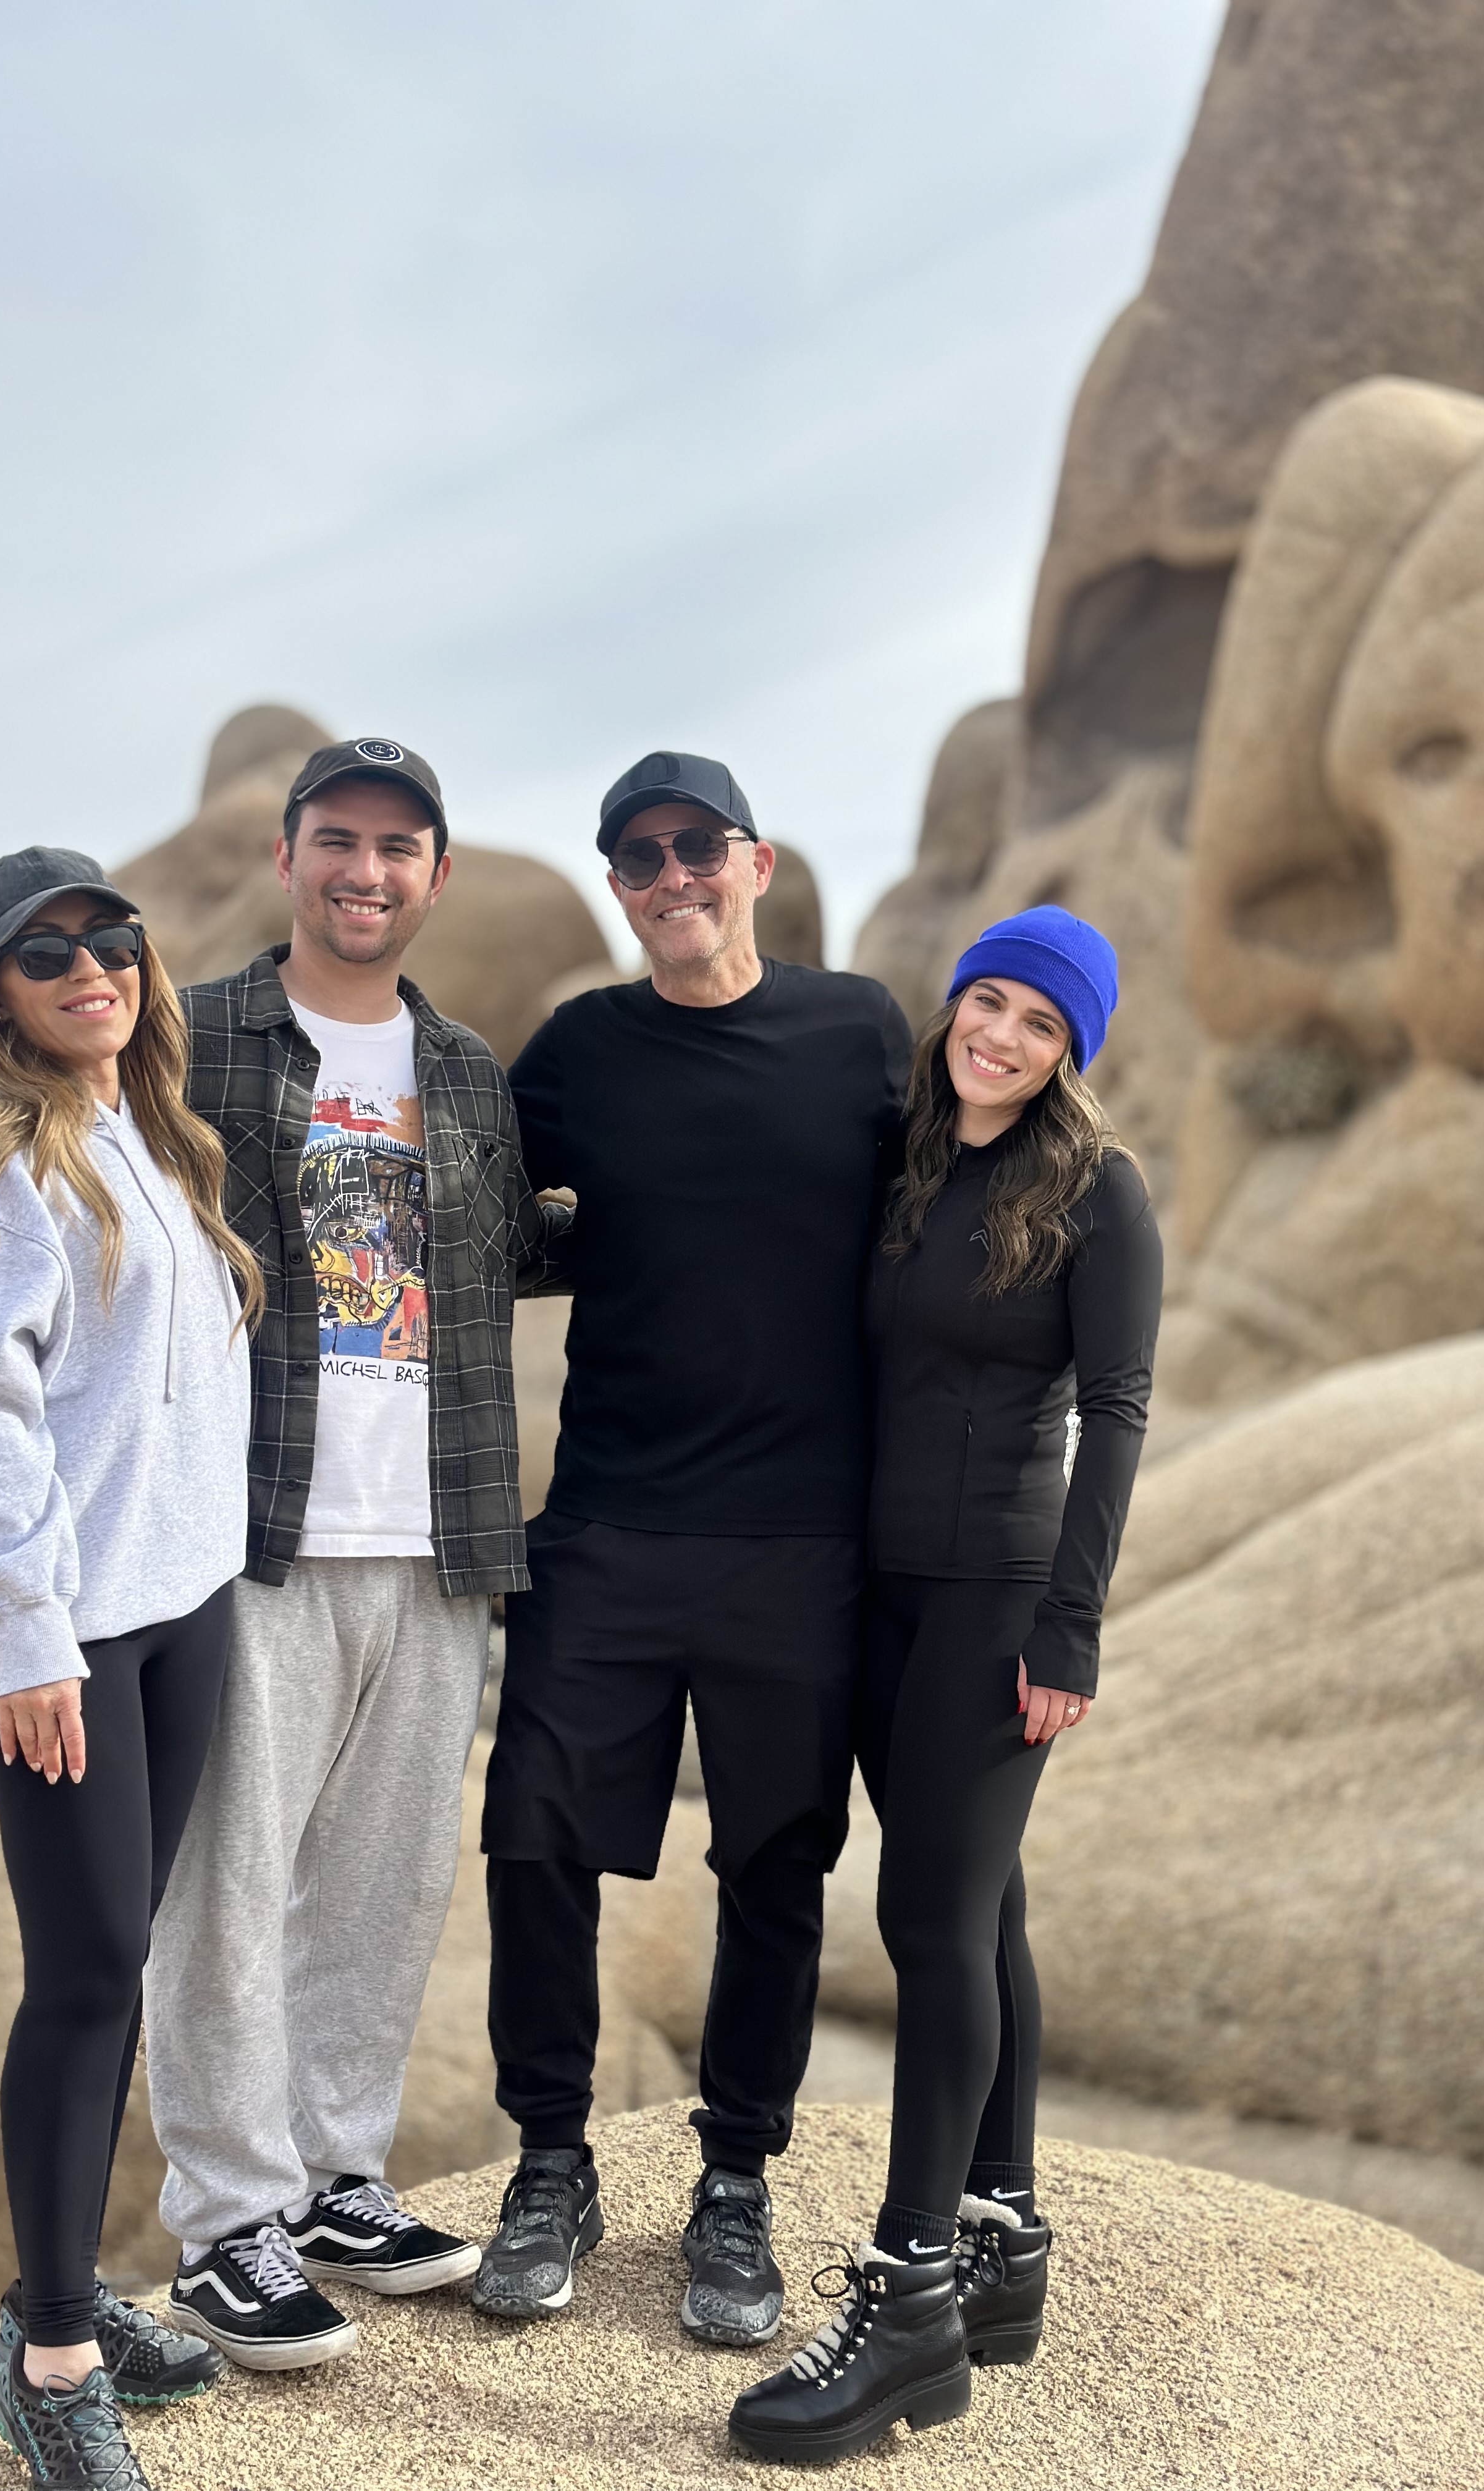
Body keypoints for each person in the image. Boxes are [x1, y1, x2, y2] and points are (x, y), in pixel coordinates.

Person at [477, 751, 911, 2347]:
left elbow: (953, 1209)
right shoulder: (580, 1050)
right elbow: (473, 1212)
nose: (672, 878)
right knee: (535, 1837)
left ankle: (736, 2181)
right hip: (607, 1520)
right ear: (618, 888)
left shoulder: (860, 1030)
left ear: (755, 863)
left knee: (778, 1863)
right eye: (640, 858)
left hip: (800, 1537)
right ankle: (552, 2161)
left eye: (696, 849)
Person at [143, 738, 565, 2371]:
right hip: (258, 1529)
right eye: (338, 840)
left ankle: (336, 2181)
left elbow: (516, 1259)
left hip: (441, 1533)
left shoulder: (465, 1071)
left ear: (436, 876)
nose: (365, 872)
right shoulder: (193, 1036)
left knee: (386, 1890)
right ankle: (226, 2224)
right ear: (287, 857)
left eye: (398, 848)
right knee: (230, 1884)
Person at [729, 904, 1161, 2467]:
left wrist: (1071, 1628)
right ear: (956, 1005)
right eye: (991, 1003)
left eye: (1041, 1025)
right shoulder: (914, 1164)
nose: (1004, 1037)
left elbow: (1117, 1409)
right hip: (883, 1594)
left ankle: (909, 2292)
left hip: (997, 1598)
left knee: (928, 1921)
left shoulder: (1098, 1191)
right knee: (986, 1911)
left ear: (1068, 1054)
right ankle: (1003, 2236)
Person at [0, 849, 261, 2490]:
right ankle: (49, 2362)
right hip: (55, 1628)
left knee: (119, 1961)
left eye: (109, 937)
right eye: (44, 955)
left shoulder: (151, 1128)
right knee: (90, 1964)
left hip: (174, 1599)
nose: (88, 967)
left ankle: (70, 2289)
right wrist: (29, 1633)